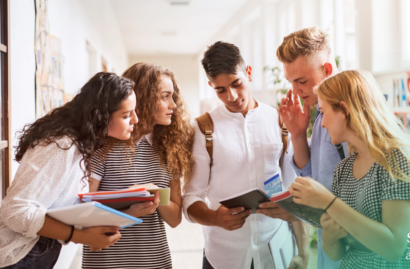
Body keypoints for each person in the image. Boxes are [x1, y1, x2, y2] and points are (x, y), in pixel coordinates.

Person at [289, 70, 410, 269]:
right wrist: (330, 238)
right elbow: (338, 251)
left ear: (344, 110)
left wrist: (328, 201)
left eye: (323, 113)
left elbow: (393, 248)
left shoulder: (396, 159)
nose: (322, 123)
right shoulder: (343, 169)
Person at [183, 42, 309, 269]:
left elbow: (295, 182)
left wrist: (289, 208)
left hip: (274, 249)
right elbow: (191, 199)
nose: (231, 96)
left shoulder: (279, 120)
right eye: (220, 90)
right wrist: (214, 218)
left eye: (236, 84)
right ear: (211, 86)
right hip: (224, 256)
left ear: (248, 73)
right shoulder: (204, 129)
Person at [0, 72, 136, 269]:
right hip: (17, 256)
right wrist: (80, 236)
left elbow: (61, 205)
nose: (136, 120)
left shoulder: (82, 144)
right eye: (126, 115)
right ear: (101, 116)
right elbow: (14, 211)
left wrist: (132, 204)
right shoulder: (61, 145)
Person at [82, 63, 194, 269]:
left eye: (173, 97)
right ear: (142, 97)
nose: (173, 105)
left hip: (155, 261)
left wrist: (156, 194)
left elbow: (175, 218)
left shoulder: (170, 149)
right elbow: (83, 211)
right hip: (107, 262)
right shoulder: (103, 146)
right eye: (164, 96)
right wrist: (131, 210)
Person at [277, 27, 348, 269]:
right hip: (329, 243)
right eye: (291, 82)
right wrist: (298, 135)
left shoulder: (348, 113)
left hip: (352, 246)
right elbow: (313, 177)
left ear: (327, 69)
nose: (296, 90)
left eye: (302, 81)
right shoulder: (320, 111)